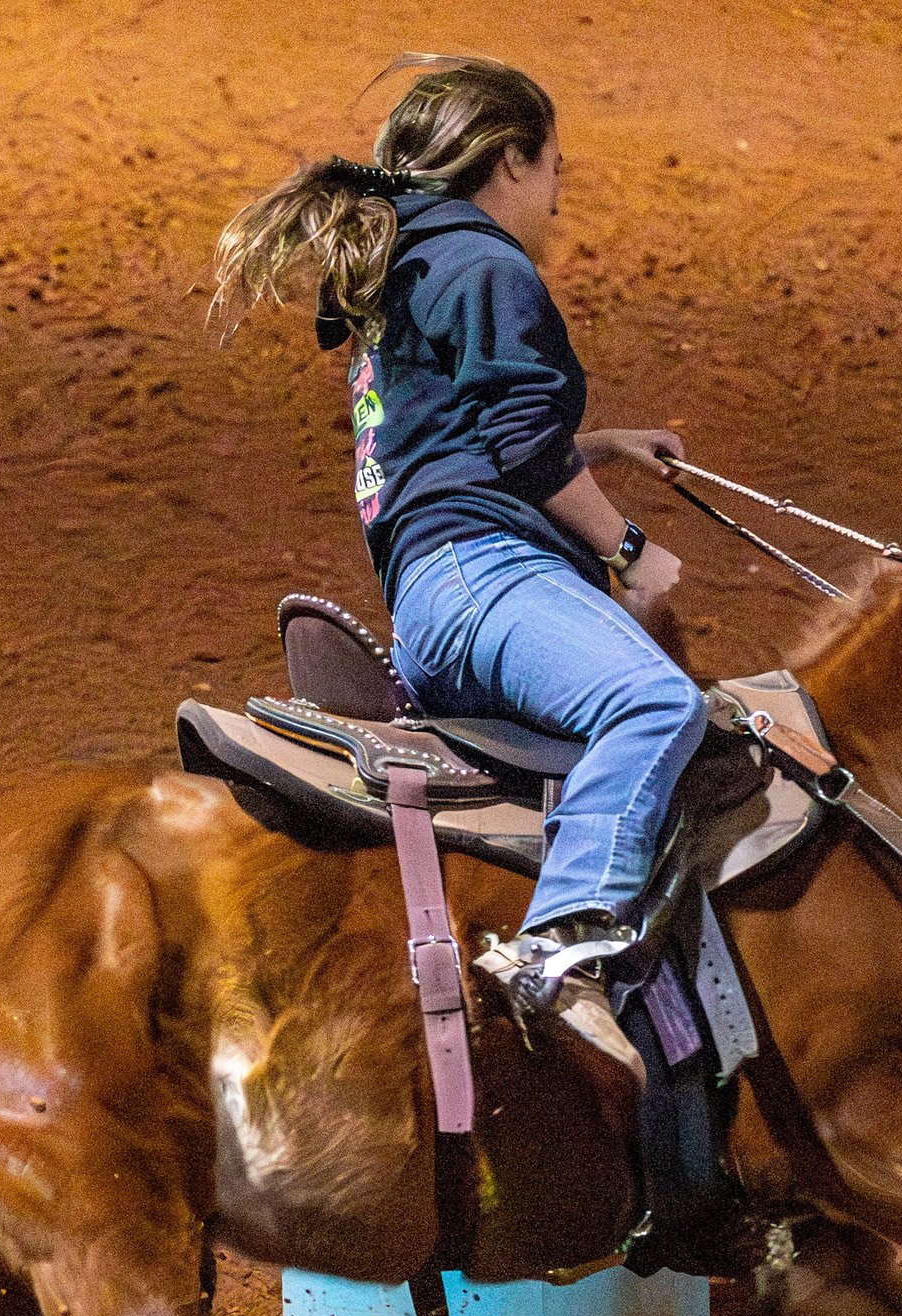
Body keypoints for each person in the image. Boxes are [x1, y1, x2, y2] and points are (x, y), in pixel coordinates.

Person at [213, 54, 704, 1073]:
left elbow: (455, 436)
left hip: (436, 600)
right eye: (555, 170)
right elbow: (519, 446)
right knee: (656, 708)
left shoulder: (408, 263)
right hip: (489, 582)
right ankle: (562, 945)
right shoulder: (487, 265)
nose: (559, 201)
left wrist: (599, 448)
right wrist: (627, 545)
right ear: (509, 160)